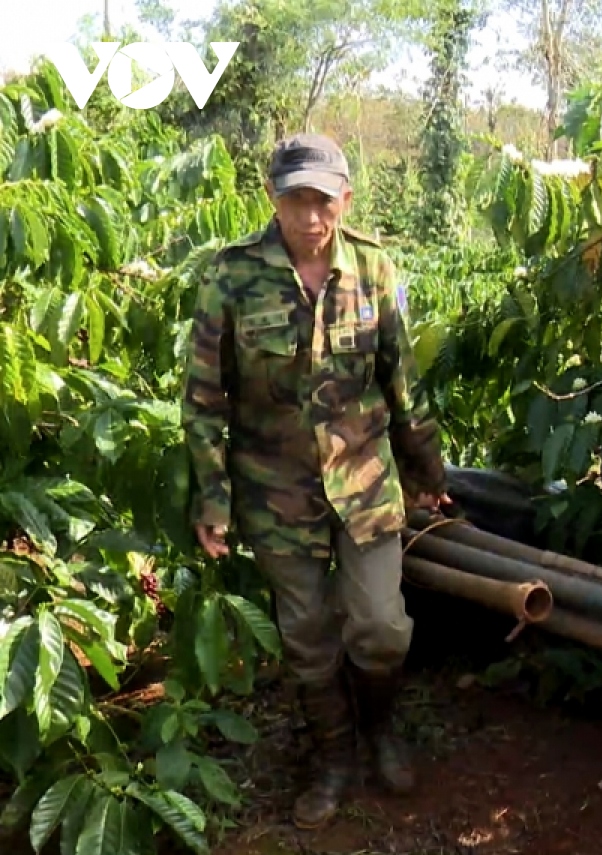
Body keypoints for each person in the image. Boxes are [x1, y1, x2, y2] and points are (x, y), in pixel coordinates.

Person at [180, 131, 447, 829]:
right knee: (305, 634)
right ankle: (333, 757)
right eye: (295, 199)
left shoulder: (373, 268)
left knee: (381, 626)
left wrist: (426, 467)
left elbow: (401, 378)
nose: (309, 217)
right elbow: (205, 396)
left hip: (363, 479)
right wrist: (211, 497)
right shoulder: (231, 275)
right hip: (275, 490)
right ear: (273, 198)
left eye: (322, 200)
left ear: (345, 199)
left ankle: (380, 729)